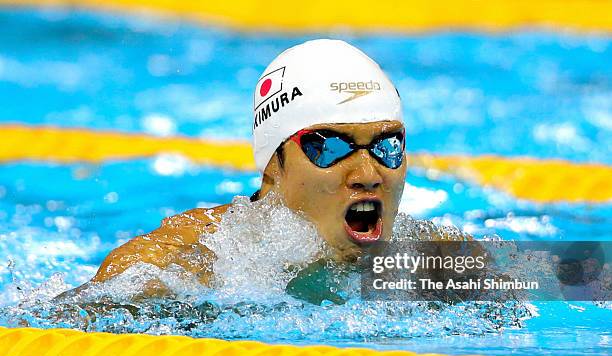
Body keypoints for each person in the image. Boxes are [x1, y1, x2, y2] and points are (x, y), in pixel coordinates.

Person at [63, 39, 410, 299]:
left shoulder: (420, 259)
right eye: (330, 147)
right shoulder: (190, 263)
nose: (368, 174)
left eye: (387, 146)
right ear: (274, 168)